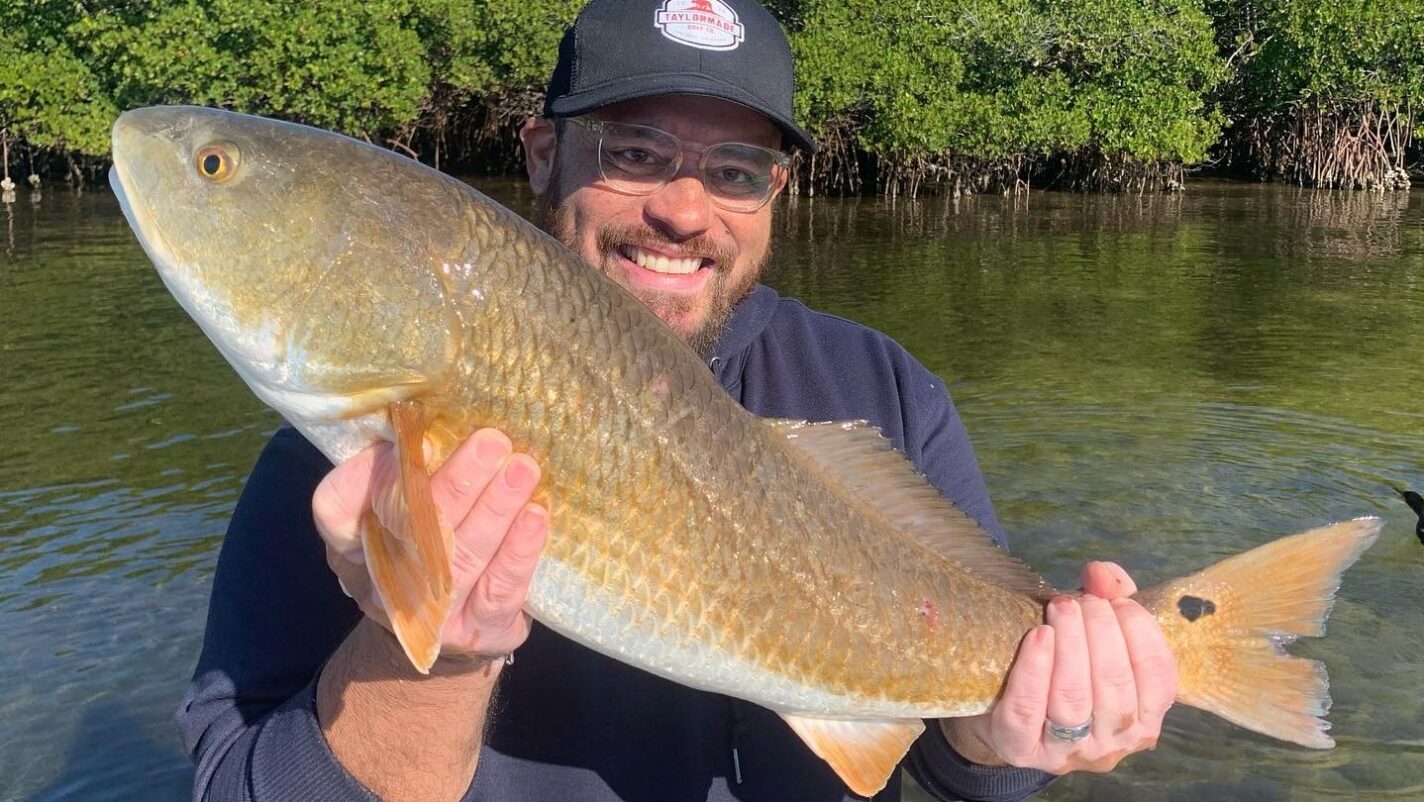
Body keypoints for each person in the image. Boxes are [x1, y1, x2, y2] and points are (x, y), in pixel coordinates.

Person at [177, 1, 1179, 800]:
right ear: (542, 153)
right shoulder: (338, 470)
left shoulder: (883, 391)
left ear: (775, 195)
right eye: (635, 152)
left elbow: (963, 765)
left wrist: (1032, 726)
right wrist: (429, 651)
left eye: (734, 171)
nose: (683, 208)